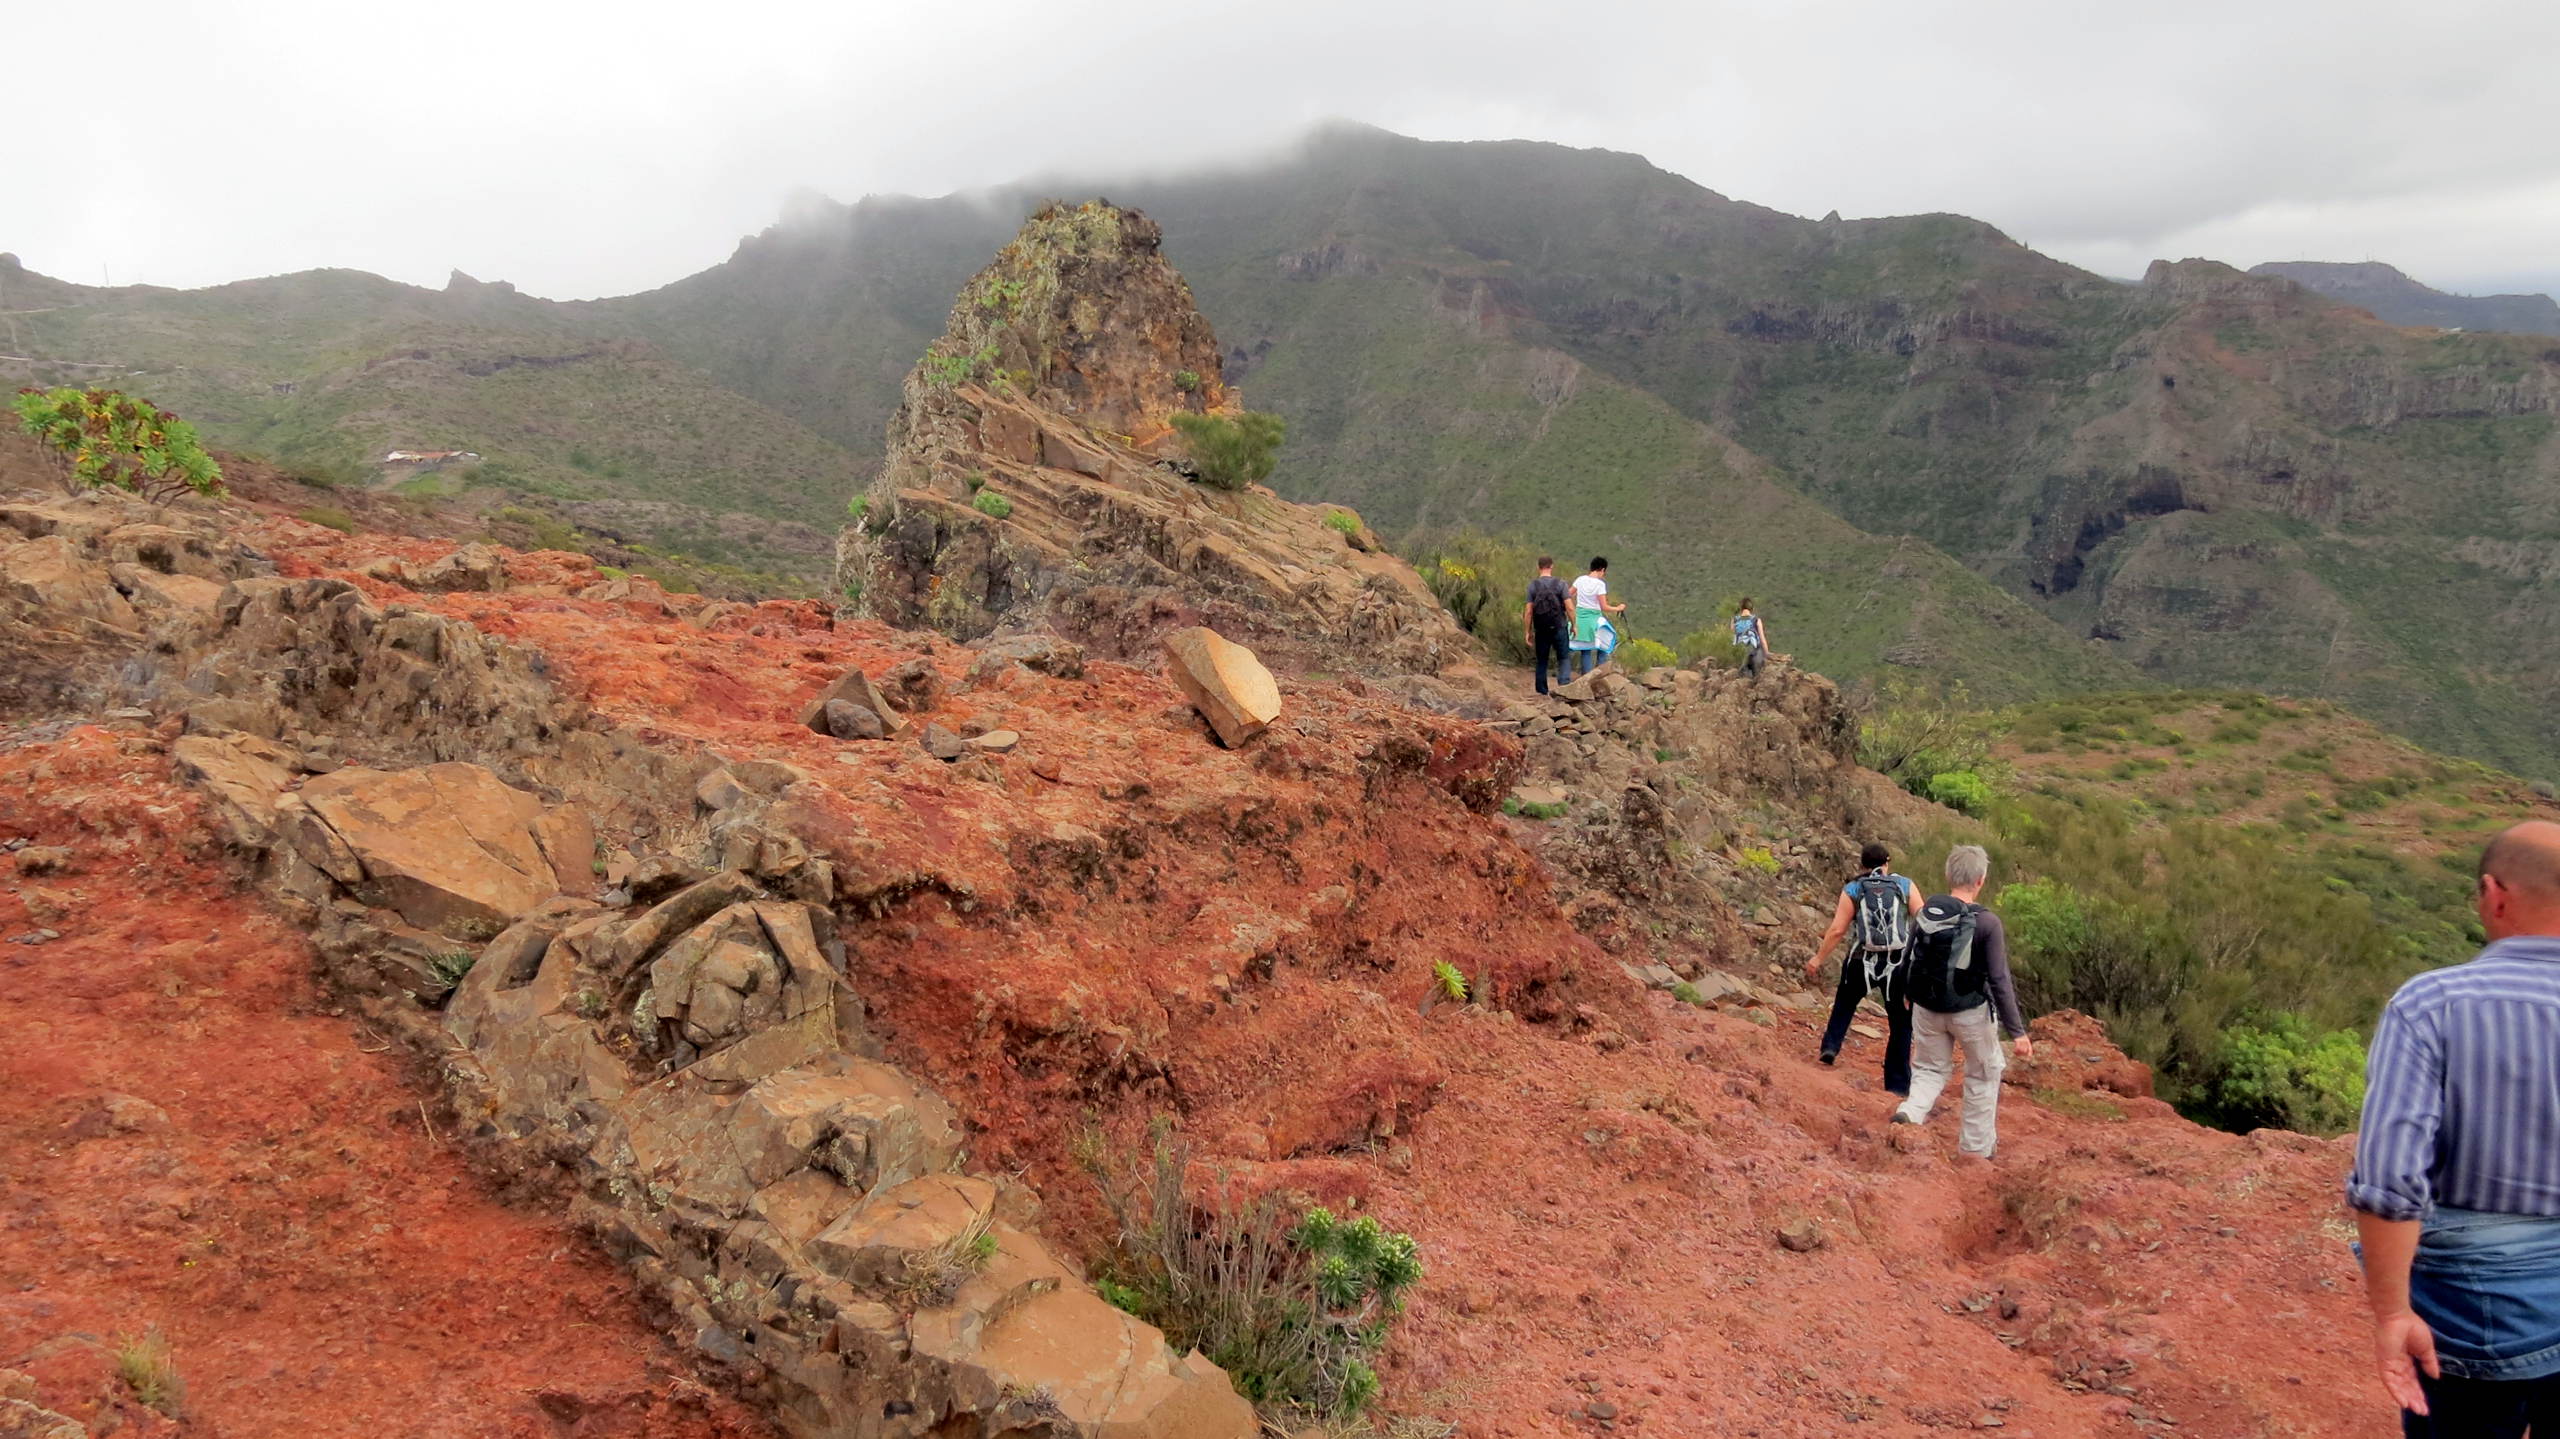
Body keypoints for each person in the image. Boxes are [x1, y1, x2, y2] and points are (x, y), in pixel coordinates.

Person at [2348, 819, 2560, 1436]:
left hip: (2475, 1325)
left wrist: (2392, 1314)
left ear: (2495, 894)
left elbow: (2389, 1179)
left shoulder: (2432, 1003)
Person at [1892, 844, 2032, 1157]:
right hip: (1970, 1013)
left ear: (1948, 875)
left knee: (1929, 1069)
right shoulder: (1987, 923)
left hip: (1926, 1008)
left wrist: (1905, 992)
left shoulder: (1928, 911)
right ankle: (1975, 1152)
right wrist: (2017, 1031)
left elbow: (1908, 955)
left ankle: (1910, 1112)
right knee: (1983, 1074)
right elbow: (1999, 979)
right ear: (1981, 880)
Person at [1805, 842, 1925, 1095]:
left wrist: (1818, 958)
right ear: (1887, 862)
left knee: (1845, 1002)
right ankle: (1898, 1084)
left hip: (1862, 959)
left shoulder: (1854, 888)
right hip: (1897, 964)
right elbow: (1923, 920)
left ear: (1862, 865)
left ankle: (1831, 1046)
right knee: (1901, 1023)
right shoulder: (1904, 885)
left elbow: (1838, 930)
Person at [1567, 557, 1625, 678]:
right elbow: (1604, 606)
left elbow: (1567, 595)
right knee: (1605, 643)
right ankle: (1600, 675)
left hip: (1580, 618)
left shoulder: (1580, 579)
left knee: (1585, 649)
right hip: (1594, 618)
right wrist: (1618, 608)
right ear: (1602, 569)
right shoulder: (1600, 584)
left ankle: (1585, 679)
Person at [1524, 556, 1572, 695]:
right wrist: (1574, 624)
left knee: (1542, 660)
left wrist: (1527, 631)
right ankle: (1564, 687)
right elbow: (1569, 607)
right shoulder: (1561, 584)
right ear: (1551, 566)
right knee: (1563, 657)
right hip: (1559, 626)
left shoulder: (1533, 585)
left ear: (1538, 567)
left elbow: (1528, 611)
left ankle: (1542, 691)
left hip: (1541, 628)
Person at [1733, 599, 1771, 679]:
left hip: (1740, 654)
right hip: (1755, 652)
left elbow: (1733, 637)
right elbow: (1762, 638)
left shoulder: (1735, 620)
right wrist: (1767, 654)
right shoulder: (1756, 620)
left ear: (1741, 608)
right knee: (1757, 679)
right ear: (1752, 609)